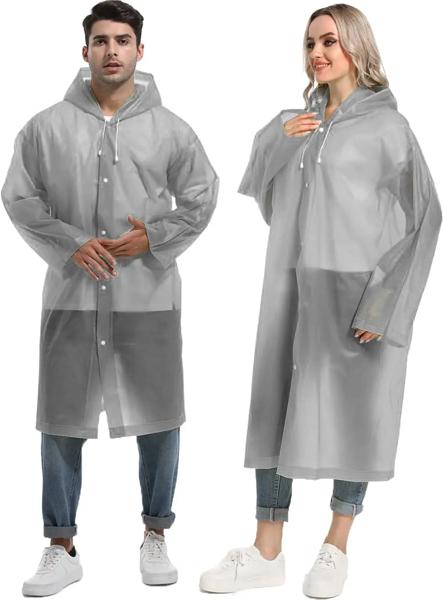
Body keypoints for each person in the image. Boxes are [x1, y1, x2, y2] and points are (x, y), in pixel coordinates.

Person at [199, 3, 441, 598]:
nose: (318, 53)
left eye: (330, 41)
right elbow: (265, 196)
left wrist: (384, 302)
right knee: (274, 406)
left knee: (356, 414)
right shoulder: (293, 122)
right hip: (291, 285)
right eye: (310, 43)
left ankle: (336, 545)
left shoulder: (390, 128)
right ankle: (266, 550)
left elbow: (425, 216)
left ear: (356, 46)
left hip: (355, 292)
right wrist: (278, 140)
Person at [1, 1, 218, 596]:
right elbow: (19, 199)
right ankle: (60, 547)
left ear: (140, 50)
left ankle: (156, 533)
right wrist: (70, 243)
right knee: (60, 421)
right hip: (71, 298)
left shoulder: (172, 130)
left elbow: (202, 197)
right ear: (85, 50)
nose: (112, 50)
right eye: (101, 40)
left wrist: (155, 236)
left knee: (161, 417)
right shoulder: (44, 128)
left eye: (123, 40)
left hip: (147, 297)